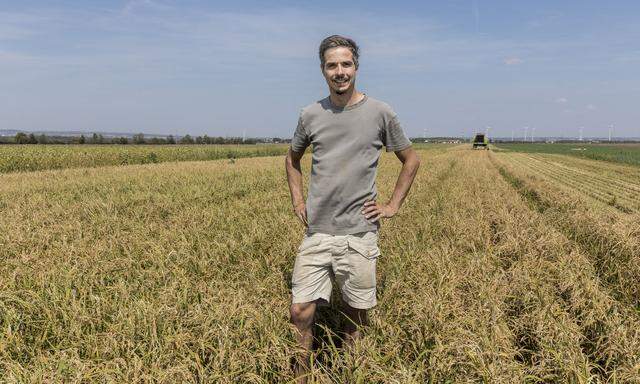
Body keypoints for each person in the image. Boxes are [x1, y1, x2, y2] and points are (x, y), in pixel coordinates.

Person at [285, 35, 421, 382]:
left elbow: (411, 159)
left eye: (346, 64)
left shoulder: (380, 112)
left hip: (360, 233)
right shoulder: (311, 114)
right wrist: (298, 201)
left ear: (356, 67)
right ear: (323, 70)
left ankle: (349, 372)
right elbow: (293, 158)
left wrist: (391, 205)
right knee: (300, 310)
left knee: (356, 313)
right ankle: (301, 374)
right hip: (318, 231)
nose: (340, 71)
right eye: (332, 65)